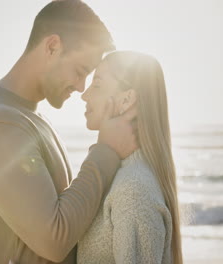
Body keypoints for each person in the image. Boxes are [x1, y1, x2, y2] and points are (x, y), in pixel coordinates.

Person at [0, 1, 138, 263]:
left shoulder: (29, 118)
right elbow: (54, 241)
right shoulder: (0, 125)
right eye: (79, 71)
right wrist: (106, 151)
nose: (80, 87)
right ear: (52, 46)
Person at [77, 51, 183, 264]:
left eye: (96, 85)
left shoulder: (133, 188)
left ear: (126, 99)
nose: (84, 95)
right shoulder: (121, 176)